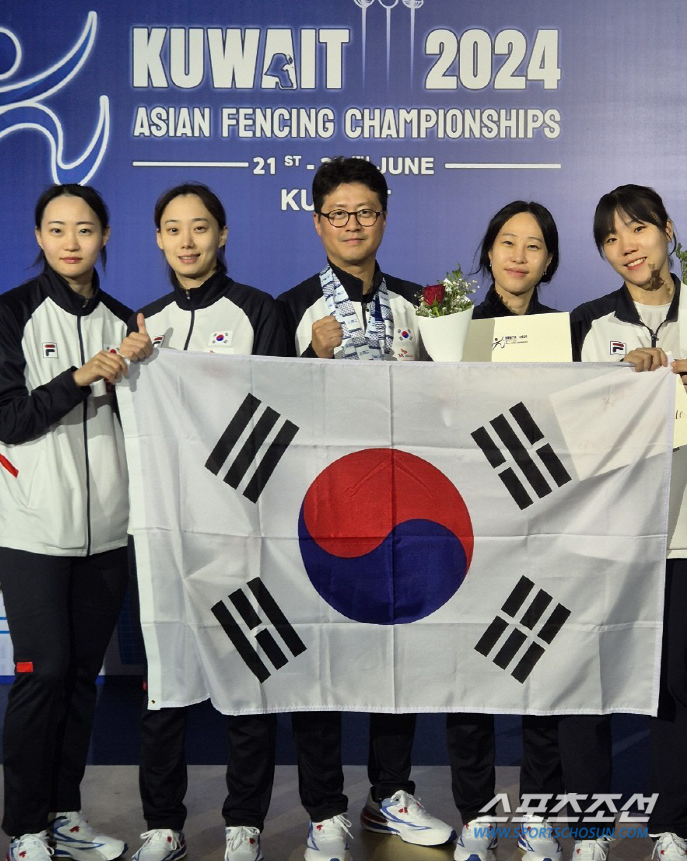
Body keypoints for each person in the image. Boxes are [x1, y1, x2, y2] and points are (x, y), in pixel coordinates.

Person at [278, 156, 453, 861]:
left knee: (394, 655)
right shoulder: (286, 308)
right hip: (318, 515)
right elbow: (261, 412)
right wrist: (307, 360)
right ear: (316, 219)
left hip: (402, 514)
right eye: (338, 213)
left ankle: (390, 794)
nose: (353, 224)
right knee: (318, 661)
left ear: (385, 214)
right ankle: (324, 810)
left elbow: (453, 405)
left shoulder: (425, 304)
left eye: (366, 211)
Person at [0, 184, 152, 861]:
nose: (70, 241)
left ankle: (63, 812)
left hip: (108, 532)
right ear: (38, 238)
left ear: (105, 235)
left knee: (84, 676)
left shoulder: (126, 320)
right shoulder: (8, 314)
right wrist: (81, 378)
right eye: (56, 229)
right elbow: (7, 417)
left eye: (84, 229)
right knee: (43, 672)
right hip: (34, 532)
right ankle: (23, 826)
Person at [130, 183, 286, 861]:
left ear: (223, 235)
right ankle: (163, 822)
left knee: (248, 676)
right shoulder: (143, 324)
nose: (187, 241)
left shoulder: (259, 311)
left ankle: (244, 822)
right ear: (158, 240)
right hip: (167, 529)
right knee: (165, 677)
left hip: (241, 528)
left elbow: (284, 415)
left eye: (200, 227)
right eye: (173, 228)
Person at [449, 200, 586, 861]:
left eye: (534, 246)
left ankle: (539, 813)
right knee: (470, 679)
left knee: (539, 672)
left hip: (542, 524)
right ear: (489, 249)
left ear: (550, 260)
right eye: (508, 241)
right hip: (469, 526)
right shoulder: (453, 331)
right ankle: (477, 813)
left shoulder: (572, 333)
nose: (519, 255)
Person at [571, 184, 687, 861]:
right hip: (610, 534)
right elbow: (572, 428)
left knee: (678, 683)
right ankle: (587, 829)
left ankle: (672, 824)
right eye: (612, 238)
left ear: (668, 230)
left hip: (681, 532)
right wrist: (622, 383)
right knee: (593, 682)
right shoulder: (590, 321)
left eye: (638, 228)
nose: (627, 246)